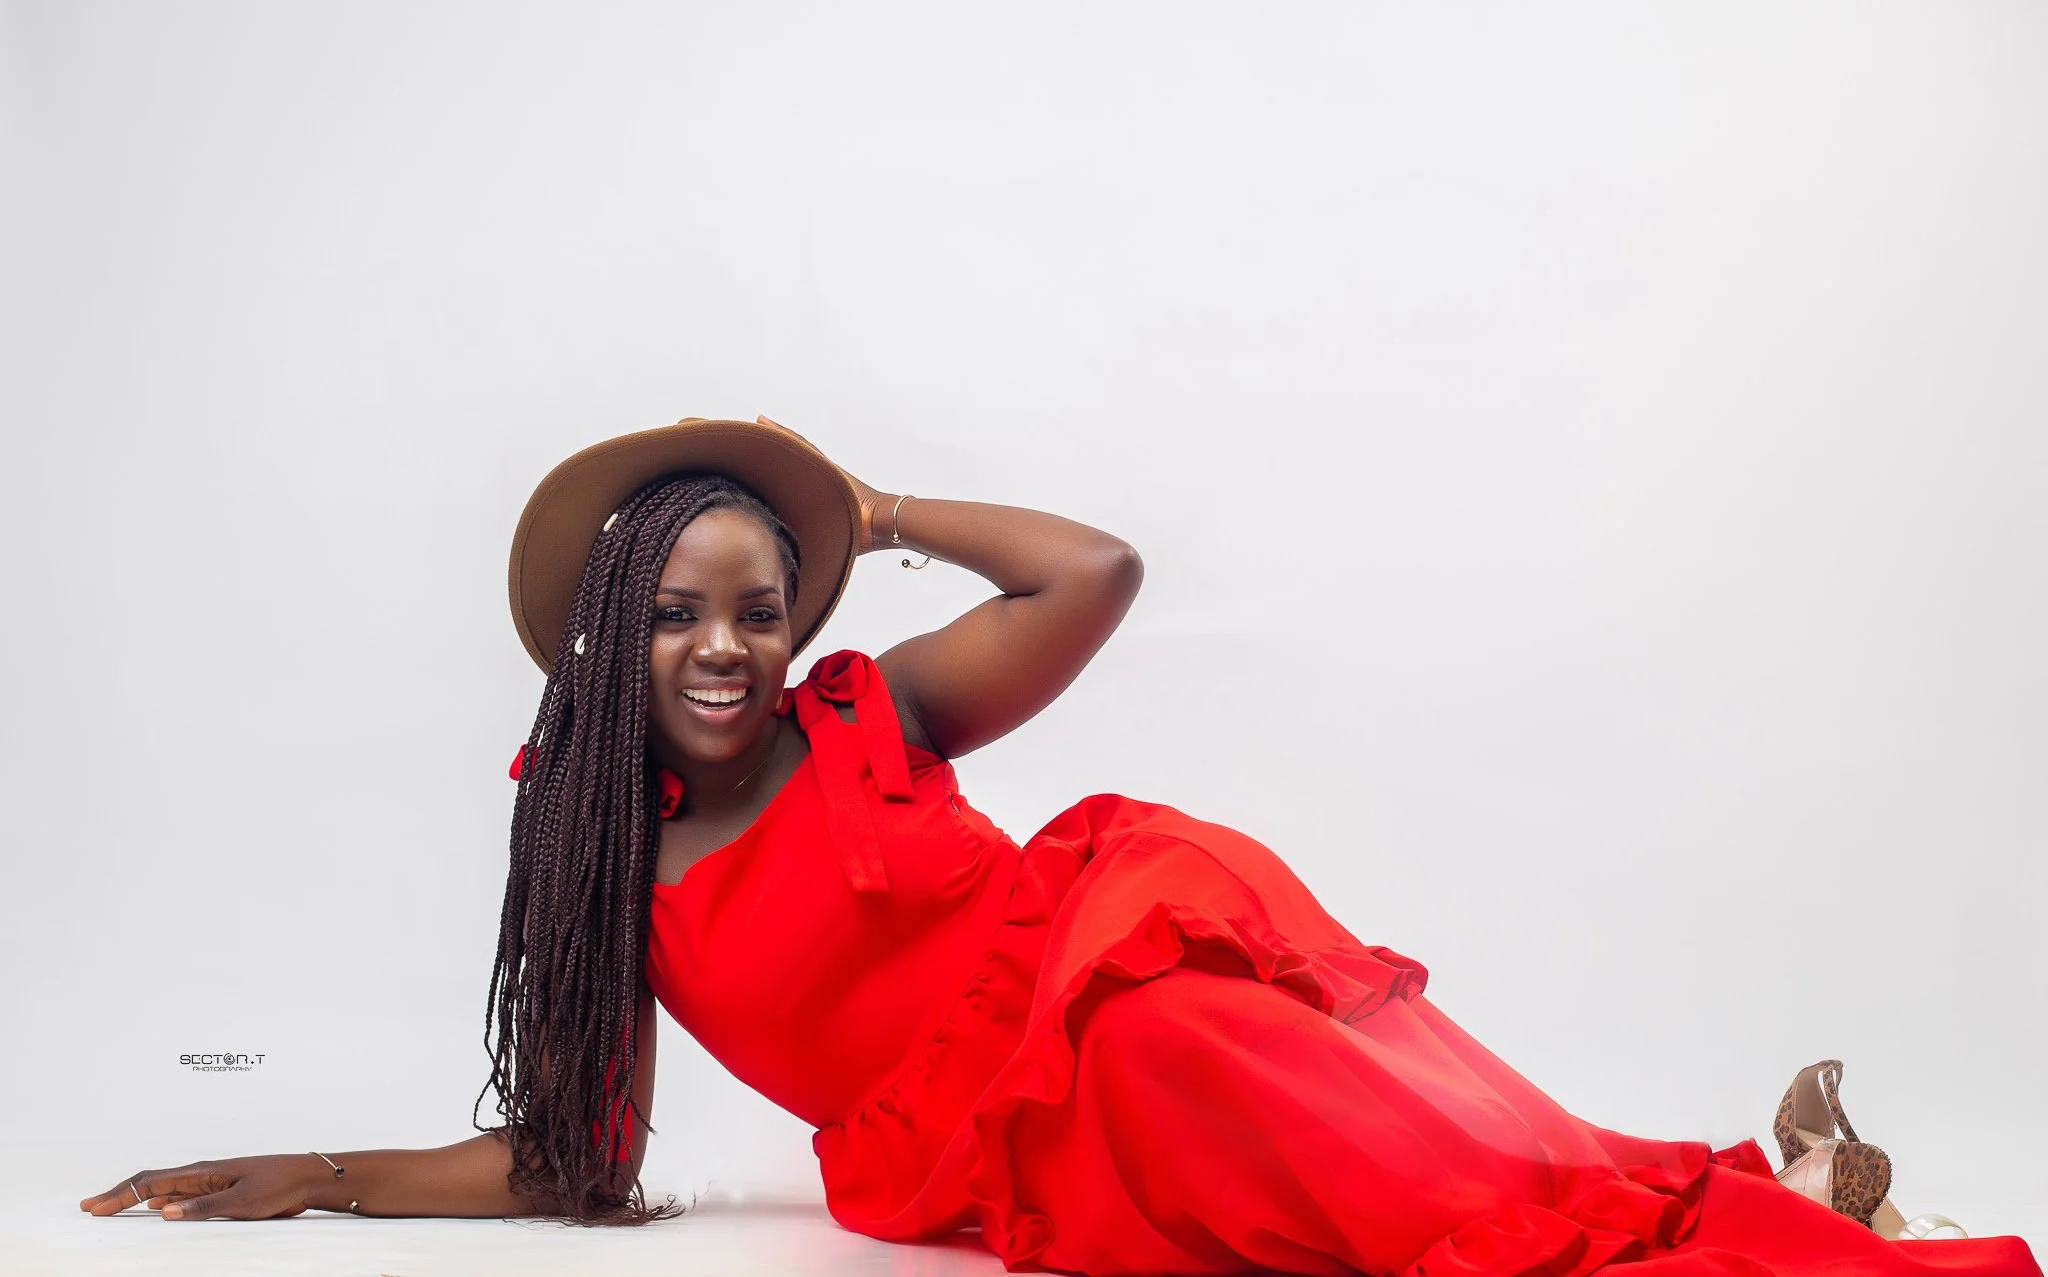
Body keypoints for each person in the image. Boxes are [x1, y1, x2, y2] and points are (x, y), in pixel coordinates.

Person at [82, 417, 2041, 1277]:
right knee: (1317, 1137)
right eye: (680, 609)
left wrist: (872, 498)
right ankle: (1787, 1202)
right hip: (1016, 1134)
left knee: (1368, 1107)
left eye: (759, 604)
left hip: (1120, 972)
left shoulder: (874, 711)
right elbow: (571, 1156)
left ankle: (1757, 1194)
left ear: (798, 624)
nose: (723, 645)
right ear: (614, 626)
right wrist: (316, 1167)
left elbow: (1093, 569)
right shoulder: (599, 862)